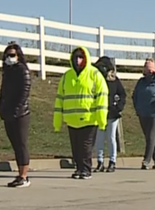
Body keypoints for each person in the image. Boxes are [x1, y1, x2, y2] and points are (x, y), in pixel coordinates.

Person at [53, 46, 108, 180]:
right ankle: (79, 168)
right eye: (75, 57)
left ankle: (86, 169)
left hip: (89, 118)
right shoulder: (67, 76)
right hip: (72, 119)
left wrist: (101, 119)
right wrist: (57, 121)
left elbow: (102, 97)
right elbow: (60, 98)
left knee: (85, 146)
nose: (78, 60)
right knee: (76, 147)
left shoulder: (95, 75)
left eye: (81, 57)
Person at [0, 42, 32, 187]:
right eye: (7, 55)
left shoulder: (22, 70)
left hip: (21, 114)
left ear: (18, 56)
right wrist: (1, 107)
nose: (9, 58)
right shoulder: (7, 71)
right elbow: (3, 91)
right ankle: (19, 175)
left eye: (12, 55)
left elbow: (25, 91)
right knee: (15, 145)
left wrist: (17, 109)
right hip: (8, 112)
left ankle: (24, 176)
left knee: (21, 144)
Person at [132, 58, 155, 170]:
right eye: (146, 70)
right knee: (148, 138)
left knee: (151, 136)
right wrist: (137, 107)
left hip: (154, 113)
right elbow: (135, 95)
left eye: (149, 70)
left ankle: (146, 160)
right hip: (142, 113)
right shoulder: (141, 82)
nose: (147, 73)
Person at [94, 56, 126, 173]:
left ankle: (112, 161)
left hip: (112, 113)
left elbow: (122, 94)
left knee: (111, 137)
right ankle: (100, 161)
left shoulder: (114, 81)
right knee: (99, 138)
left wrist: (118, 107)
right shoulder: (96, 80)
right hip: (100, 113)